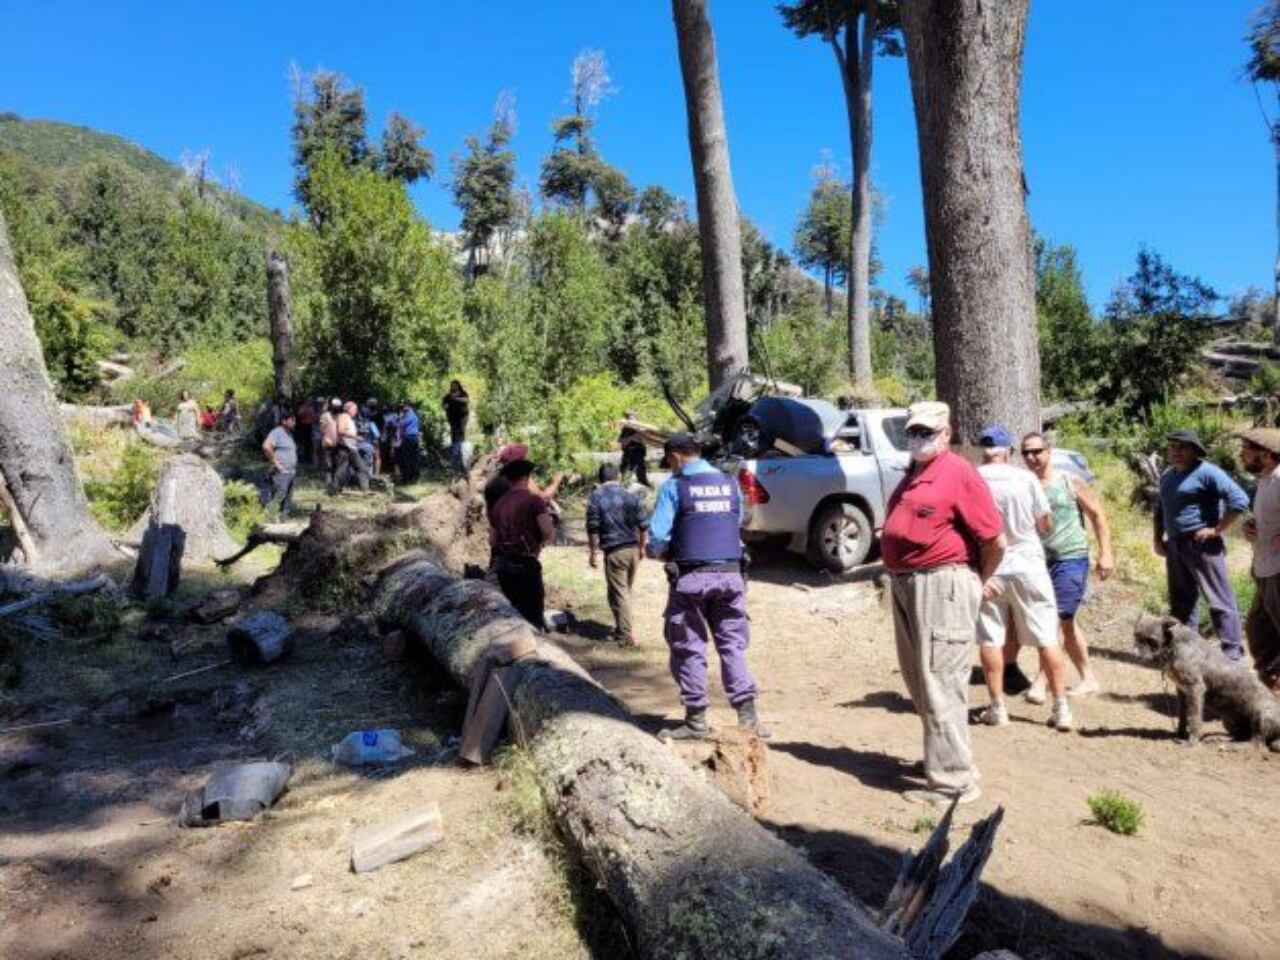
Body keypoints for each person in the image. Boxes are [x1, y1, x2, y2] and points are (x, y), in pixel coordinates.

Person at [881, 401, 1005, 806]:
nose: (918, 439)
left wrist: (974, 582)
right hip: (907, 583)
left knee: (941, 681)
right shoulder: (915, 473)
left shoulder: (958, 472)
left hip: (942, 583)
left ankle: (954, 782)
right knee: (919, 678)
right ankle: (945, 757)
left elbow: (994, 541)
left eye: (927, 432)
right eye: (913, 432)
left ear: (946, 433)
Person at [646, 432, 764, 741]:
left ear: (675, 456)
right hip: (731, 576)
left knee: (689, 647)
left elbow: (657, 537)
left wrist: (660, 552)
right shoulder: (729, 484)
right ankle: (748, 718)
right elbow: (736, 522)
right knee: (732, 645)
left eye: (669, 461)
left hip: (692, 580)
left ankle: (696, 720)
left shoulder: (675, 486)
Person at [973, 425, 1073, 732]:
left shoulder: (973, 478)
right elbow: (1044, 523)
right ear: (1009, 452)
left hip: (991, 564)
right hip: (1028, 563)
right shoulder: (1026, 478)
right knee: (1046, 635)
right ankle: (1061, 708)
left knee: (990, 636)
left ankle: (997, 707)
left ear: (983, 450)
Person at [1018, 431, 1114, 701]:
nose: (1031, 457)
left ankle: (1041, 681)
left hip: (1071, 557)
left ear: (1049, 451)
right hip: (1038, 561)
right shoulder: (1026, 484)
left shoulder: (1068, 481)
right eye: (1026, 452)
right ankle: (1089, 678)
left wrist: (1106, 553)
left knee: (1056, 618)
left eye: (1036, 451)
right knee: (1067, 624)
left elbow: (1097, 514)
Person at [1154, 429, 1250, 661]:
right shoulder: (1167, 475)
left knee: (1219, 600)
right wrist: (1157, 538)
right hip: (1175, 546)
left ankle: (1232, 656)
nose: (1175, 452)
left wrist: (1216, 529)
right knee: (1181, 602)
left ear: (1194, 451)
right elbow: (1160, 508)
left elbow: (1240, 500)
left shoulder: (1207, 472)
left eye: (1182, 447)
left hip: (1202, 546)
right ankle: (1185, 653)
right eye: (1172, 447)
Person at [489, 458, 556, 627]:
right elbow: (548, 531)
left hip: (503, 565)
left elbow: (492, 541)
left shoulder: (498, 505)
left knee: (510, 613)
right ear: (526, 477)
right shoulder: (534, 500)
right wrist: (541, 544)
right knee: (532, 613)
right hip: (526, 563)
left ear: (509, 480)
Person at [586, 464, 648, 646]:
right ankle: (621, 627)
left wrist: (593, 552)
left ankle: (625, 635)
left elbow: (592, 528)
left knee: (619, 592)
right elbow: (644, 525)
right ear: (618, 477)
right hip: (633, 549)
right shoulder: (630, 495)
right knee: (623, 591)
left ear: (600, 479)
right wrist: (642, 547)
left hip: (615, 551)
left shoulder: (596, 497)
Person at [1238, 428, 1280, 690]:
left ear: (1266, 455)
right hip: (1264, 567)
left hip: (1278, 569)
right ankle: (1270, 691)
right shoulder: (1266, 480)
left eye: (1246, 449)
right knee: (1258, 632)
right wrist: (1251, 527)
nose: (1241, 454)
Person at [261, 411, 298, 518]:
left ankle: (283, 518)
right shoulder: (277, 432)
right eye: (292, 420)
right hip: (281, 471)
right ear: (284, 421)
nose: (294, 422)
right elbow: (266, 446)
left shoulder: (289, 434)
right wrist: (275, 462)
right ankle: (269, 516)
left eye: (294, 420)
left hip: (291, 471)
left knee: (287, 497)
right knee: (279, 495)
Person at [337, 400, 370, 493]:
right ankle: (337, 489)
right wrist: (355, 437)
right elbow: (340, 430)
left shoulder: (349, 419)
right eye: (355, 409)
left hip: (351, 447)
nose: (356, 411)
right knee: (342, 469)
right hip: (345, 447)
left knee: (361, 468)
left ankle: (365, 489)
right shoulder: (343, 417)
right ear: (348, 409)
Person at [443, 381, 470, 474]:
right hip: (452, 419)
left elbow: (466, 400)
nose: (453, 387)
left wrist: (456, 399)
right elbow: (444, 405)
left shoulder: (463, 393)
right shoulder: (448, 396)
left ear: (458, 386)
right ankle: (455, 452)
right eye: (452, 386)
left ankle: (462, 452)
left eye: (455, 385)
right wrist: (446, 405)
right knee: (454, 436)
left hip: (462, 418)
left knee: (461, 435)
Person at [618, 412, 650, 488]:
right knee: (625, 469)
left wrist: (638, 438)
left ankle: (643, 482)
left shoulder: (640, 428)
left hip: (638, 452)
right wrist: (629, 440)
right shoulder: (625, 430)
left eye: (633, 418)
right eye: (629, 418)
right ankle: (624, 484)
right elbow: (621, 440)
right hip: (628, 452)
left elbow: (644, 439)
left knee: (641, 469)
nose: (631, 419)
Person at [319, 398, 342, 495]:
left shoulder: (341, 416)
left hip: (339, 444)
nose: (336, 408)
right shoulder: (325, 416)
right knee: (329, 467)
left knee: (337, 466)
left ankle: (336, 487)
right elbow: (322, 429)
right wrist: (327, 438)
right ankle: (328, 487)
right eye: (334, 406)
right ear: (331, 406)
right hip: (328, 444)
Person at [397, 402, 422, 483]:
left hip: (409, 437)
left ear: (408, 407)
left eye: (403, 407)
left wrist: (400, 418)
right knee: (414, 458)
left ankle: (408, 477)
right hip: (413, 437)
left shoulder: (409, 415)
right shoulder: (414, 415)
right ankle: (413, 477)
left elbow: (401, 424)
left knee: (407, 458)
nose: (402, 409)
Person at [295, 398, 315, 468]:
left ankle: (308, 457)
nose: (309, 402)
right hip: (302, 426)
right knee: (301, 442)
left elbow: (313, 416)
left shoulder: (311, 408)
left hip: (309, 426)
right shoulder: (302, 407)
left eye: (310, 401)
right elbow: (299, 415)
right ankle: (300, 457)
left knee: (308, 443)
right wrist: (305, 411)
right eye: (308, 401)